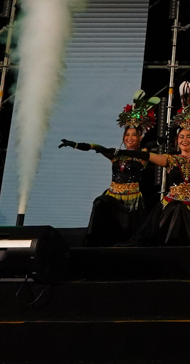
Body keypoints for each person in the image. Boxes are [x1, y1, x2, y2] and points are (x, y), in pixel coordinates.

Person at [78, 79, 190, 247]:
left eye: (189, 137)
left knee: (180, 209)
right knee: (176, 207)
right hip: (172, 206)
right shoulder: (170, 159)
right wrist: (118, 151)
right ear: (177, 140)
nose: (185, 140)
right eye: (181, 136)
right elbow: (147, 156)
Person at [59, 89, 161, 247]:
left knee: (130, 235)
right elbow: (97, 147)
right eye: (127, 135)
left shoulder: (142, 154)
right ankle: (94, 242)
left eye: (134, 135)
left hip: (132, 201)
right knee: (99, 203)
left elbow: (149, 147)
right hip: (113, 197)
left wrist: (160, 141)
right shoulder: (115, 154)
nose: (130, 138)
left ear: (140, 137)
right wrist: (76, 144)